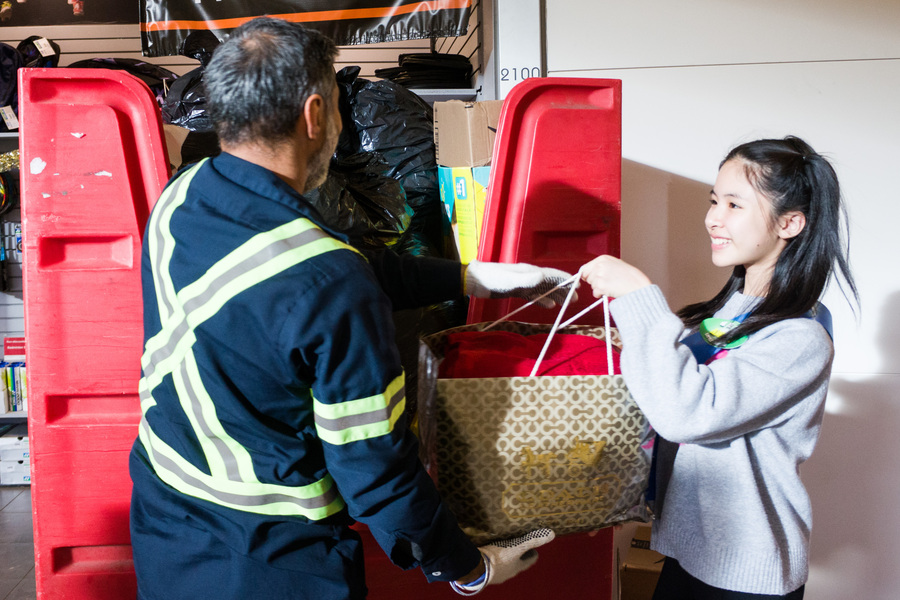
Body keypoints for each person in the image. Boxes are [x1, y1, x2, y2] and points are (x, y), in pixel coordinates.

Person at [128, 16, 561, 600]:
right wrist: (465, 566)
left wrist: (470, 274)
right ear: (314, 115)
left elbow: (312, 283)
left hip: (166, 519)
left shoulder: (187, 194)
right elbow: (377, 471)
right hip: (275, 561)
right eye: (336, 101)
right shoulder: (328, 278)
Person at [580, 136, 858, 600]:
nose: (713, 217)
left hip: (745, 574)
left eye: (734, 204)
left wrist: (639, 298)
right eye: (714, 201)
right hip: (693, 554)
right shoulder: (728, 313)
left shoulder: (800, 338)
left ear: (789, 223)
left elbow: (686, 412)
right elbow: (666, 389)